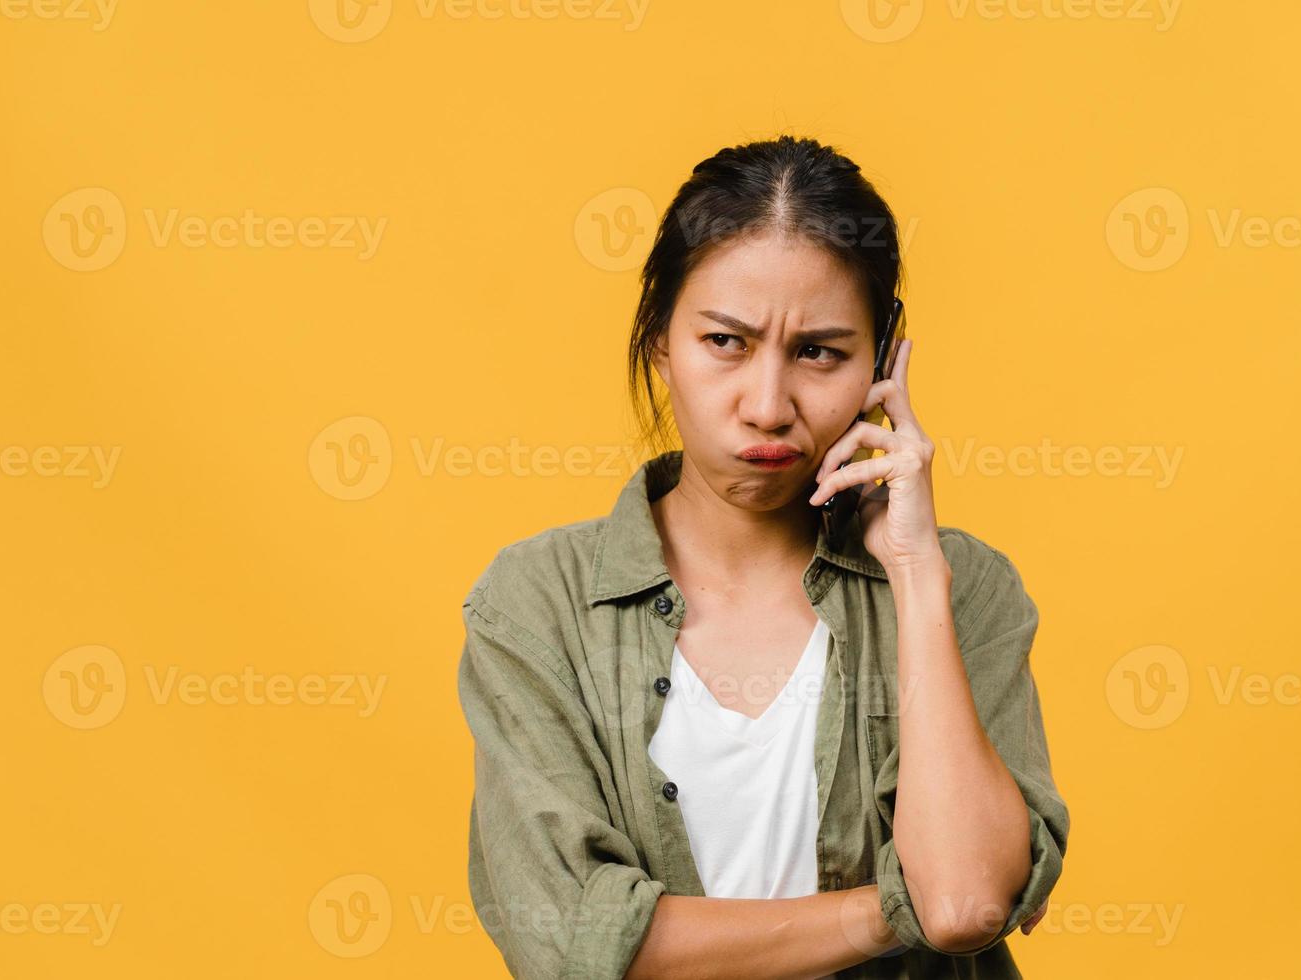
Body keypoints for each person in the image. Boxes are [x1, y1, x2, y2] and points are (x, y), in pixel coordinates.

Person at [458, 134, 1069, 979]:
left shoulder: (964, 588)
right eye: (726, 342)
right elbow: (573, 943)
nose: (769, 405)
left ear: (882, 365)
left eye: (820, 351)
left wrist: (919, 577)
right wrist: (896, 906)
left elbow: (964, 906)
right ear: (660, 341)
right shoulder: (540, 603)